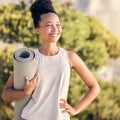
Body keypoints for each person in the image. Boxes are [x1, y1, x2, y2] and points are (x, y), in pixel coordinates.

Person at [2, 0, 100, 120]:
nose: (55, 29)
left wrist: (75, 110)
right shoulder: (31, 58)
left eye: (58, 25)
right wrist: (25, 92)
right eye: (49, 25)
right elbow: (6, 94)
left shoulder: (69, 57)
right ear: (37, 29)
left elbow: (94, 87)